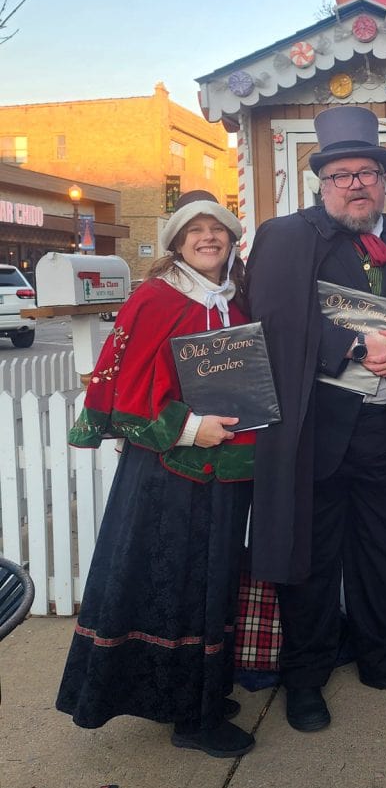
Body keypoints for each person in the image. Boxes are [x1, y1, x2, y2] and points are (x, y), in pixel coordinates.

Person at [246, 106, 386, 732]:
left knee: (381, 552)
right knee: (309, 559)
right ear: (321, 181)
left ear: (385, 179)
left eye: (367, 172)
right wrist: (356, 346)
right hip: (316, 431)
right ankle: (305, 675)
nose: (356, 183)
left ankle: (381, 657)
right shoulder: (288, 236)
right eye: (342, 174)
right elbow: (275, 314)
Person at [57, 190, 257, 758]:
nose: (207, 238)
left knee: (214, 581)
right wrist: (193, 430)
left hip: (224, 472)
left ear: (231, 239)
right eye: (194, 231)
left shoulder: (235, 302)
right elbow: (129, 393)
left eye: (216, 229)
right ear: (175, 242)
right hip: (168, 474)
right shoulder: (155, 298)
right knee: (177, 585)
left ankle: (201, 695)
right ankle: (187, 719)